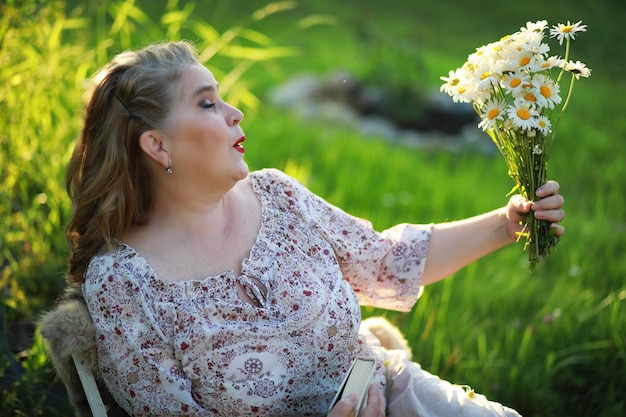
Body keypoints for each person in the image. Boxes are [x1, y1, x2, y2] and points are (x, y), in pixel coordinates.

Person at [64, 40, 565, 417]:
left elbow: (387, 263)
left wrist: (507, 223)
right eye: (207, 103)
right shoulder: (121, 283)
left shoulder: (276, 196)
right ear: (157, 146)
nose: (235, 113)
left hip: (397, 397)